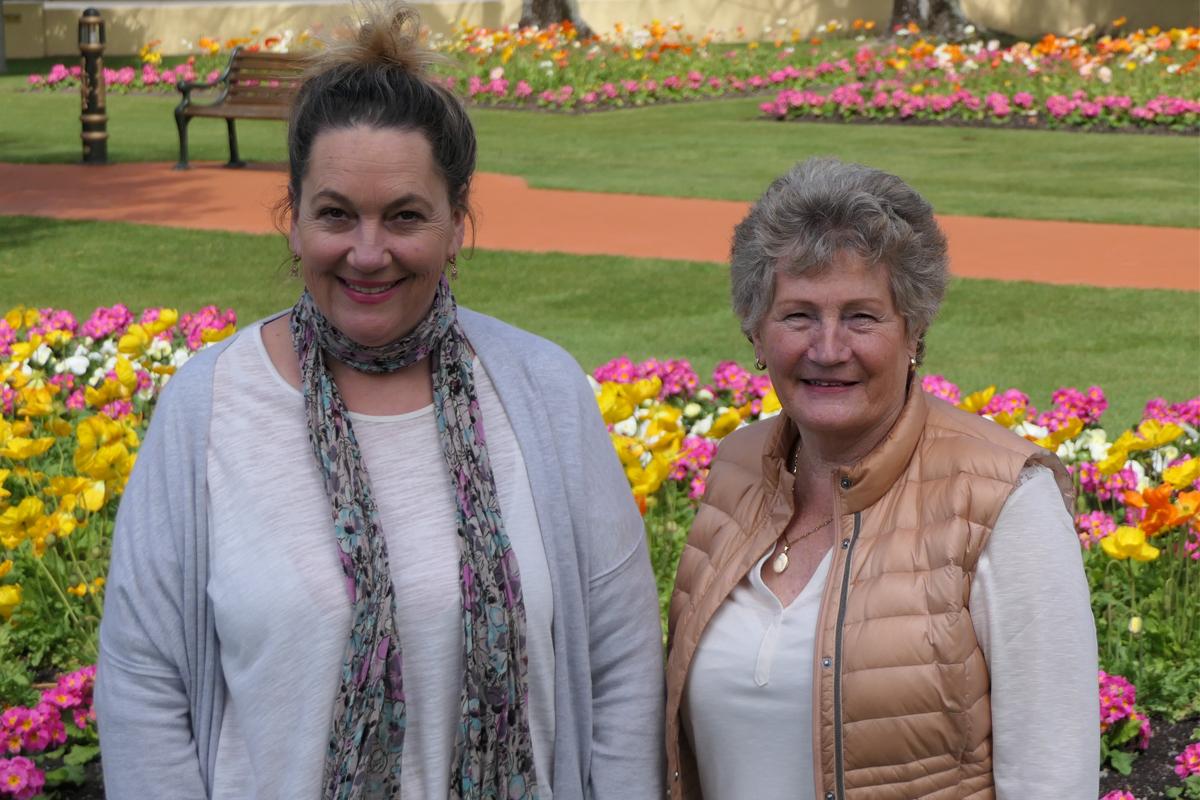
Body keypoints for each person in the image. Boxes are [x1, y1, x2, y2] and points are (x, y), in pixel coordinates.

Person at [94, 7, 664, 798]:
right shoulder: (210, 404)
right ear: (293, 221)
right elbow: (142, 682)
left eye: (404, 216)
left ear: (456, 225)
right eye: (336, 214)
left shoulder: (544, 393)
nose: (368, 253)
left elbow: (622, 664)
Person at [665, 158, 1098, 799]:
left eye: (861, 317)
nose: (828, 349)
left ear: (913, 330)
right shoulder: (737, 469)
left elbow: (1052, 778)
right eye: (798, 315)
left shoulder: (1004, 498)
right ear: (755, 331)